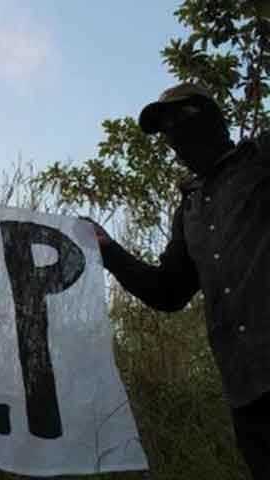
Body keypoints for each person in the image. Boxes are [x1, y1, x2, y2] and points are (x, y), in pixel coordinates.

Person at [83, 82, 270, 479]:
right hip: (246, 392)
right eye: (165, 129)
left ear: (209, 117)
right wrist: (108, 250)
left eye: (179, 120)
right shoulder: (189, 209)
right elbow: (168, 292)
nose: (172, 136)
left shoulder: (260, 159)